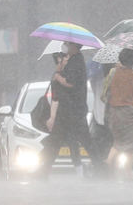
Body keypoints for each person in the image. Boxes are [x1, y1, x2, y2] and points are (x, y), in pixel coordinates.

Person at [39, 41, 102, 179]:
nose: (66, 48)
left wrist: (58, 77)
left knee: (85, 141)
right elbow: (56, 97)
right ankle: (43, 171)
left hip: (74, 111)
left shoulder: (77, 62)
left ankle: (100, 168)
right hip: (67, 112)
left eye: (68, 45)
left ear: (74, 46)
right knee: (57, 142)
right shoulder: (71, 62)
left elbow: (71, 82)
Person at [105, 48, 133, 178]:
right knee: (131, 144)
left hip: (114, 111)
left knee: (118, 142)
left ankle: (108, 164)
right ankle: (128, 172)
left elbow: (109, 91)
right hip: (128, 112)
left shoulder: (114, 73)